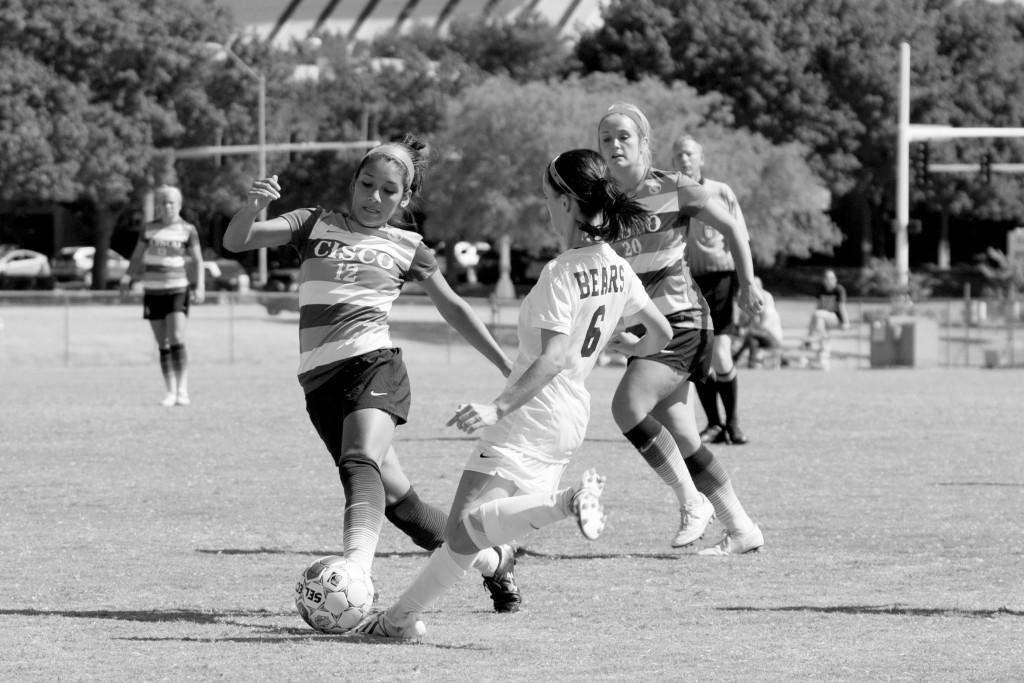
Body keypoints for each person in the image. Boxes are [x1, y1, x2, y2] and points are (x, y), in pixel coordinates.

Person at [355, 148, 672, 639]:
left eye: (548, 198)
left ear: (567, 202)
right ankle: (416, 610)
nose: (545, 206)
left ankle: (568, 502)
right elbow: (660, 334)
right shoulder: (616, 264)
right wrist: (614, 338)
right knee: (479, 530)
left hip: (532, 412)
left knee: (460, 531)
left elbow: (556, 356)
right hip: (570, 417)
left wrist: (496, 406)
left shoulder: (560, 272)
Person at [222, 136, 525, 613]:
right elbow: (236, 241)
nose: (374, 197)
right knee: (402, 505)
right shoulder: (312, 222)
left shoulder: (408, 246)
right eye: (367, 184)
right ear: (353, 182)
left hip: (375, 364)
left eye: (388, 190)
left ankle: (356, 572)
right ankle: (494, 560)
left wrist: (507, 366)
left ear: (404, 199)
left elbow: (455, 308)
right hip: (319, 383)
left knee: (358, 458)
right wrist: (253, 207)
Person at [597, 102, 765, 555]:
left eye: (623, 137)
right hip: (645, 330)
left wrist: (748, 284)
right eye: (606, 138)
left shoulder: (672, 187)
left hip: (683, 321)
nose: (614, 145)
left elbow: (732, 226)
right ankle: (742, 527)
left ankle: (693, 502)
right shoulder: (601, 203)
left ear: (644, 142)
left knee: (627, 406)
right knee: (684, 435)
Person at [673, 134, 749, 445]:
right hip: (688, 280)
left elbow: (739, 236)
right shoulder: (671, 194)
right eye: (678, 154)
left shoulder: (720, 192)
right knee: (699, 355)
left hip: (721, 277)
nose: (684, 159)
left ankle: (732, 423)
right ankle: (714, 424)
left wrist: (749, 282)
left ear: (701, 158)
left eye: (689, 154)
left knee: (720, 352)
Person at [122, 185, 206, 407]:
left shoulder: (188, 230)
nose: (167, 206)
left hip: (178, 288)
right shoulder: (148, 229)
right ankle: (169, 391)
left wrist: (199, 287)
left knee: (177, 337)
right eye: (163, 202)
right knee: (162, 343)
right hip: (153, 291)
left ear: (178, 204)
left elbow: (198, 260)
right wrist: (127, 278)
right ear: (158, 206)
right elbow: (137, 255)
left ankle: (182, 389)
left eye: (171, 202)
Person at [733, 277, 784, 368]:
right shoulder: (765, 297)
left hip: (771, 337)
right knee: (752, 340)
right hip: (764, 336)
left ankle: (737, 358)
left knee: (750, 335)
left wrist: (744, 330)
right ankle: (753, 362)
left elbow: (759, 325)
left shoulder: (763, 298)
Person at [803, 268, 849, 369]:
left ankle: (811, 341)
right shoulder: (822, 290)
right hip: (823, 319)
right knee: (818, 317)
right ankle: (822, 350)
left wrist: (846, 322)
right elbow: (818, 305)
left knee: (818, 314)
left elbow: (842, 306)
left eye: (833, 278)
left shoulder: (839, 290)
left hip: (835, 319)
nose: (831, 280)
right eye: (828, 278)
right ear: (824, 280)